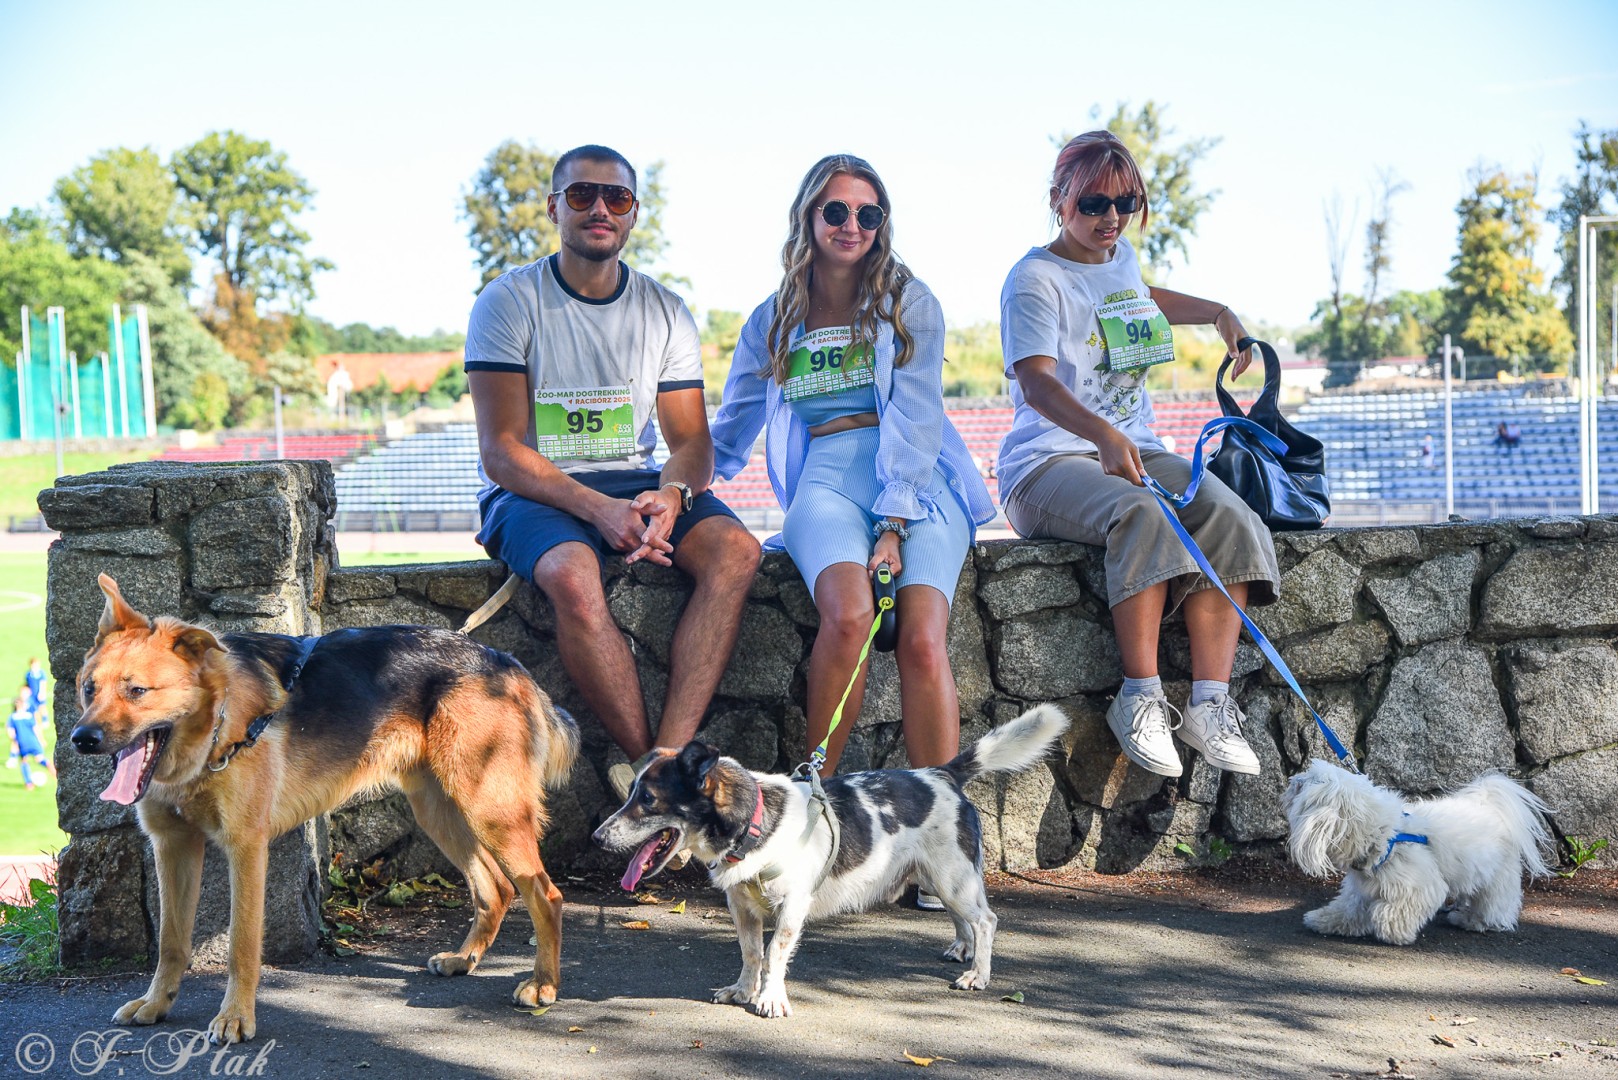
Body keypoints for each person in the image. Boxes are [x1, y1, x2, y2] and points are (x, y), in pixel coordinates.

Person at [465, 144, 761, 799]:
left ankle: (671, 759)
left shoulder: (664, 310)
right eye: (581, 195)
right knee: (572, 575)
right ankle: (649, 774)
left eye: (617, 198)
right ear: (553, 208)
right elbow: (502, 451)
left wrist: (670, 497)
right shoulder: (508, 302)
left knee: (737, 551)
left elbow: (691, 443)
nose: (599, 208)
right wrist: (597, 509)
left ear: (633, 215)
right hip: (534, 489)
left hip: (634, 481)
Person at [996, 130, 1281, 779]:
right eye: (1094, 202)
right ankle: (1140, 699)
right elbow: (1037, 381)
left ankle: (1210, 704)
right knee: (1145, 516)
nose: (1111, 218)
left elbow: (1140, 300)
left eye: (1126, 202)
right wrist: (1101, 433)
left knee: (1227, 515)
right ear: (1058, 200)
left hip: (1134, 447)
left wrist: (1220, 314)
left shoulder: (1118, 258)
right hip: (1046, 464)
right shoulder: (1034, 279)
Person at [711, 154, 996, 797]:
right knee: (848, 618)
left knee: (922, 640)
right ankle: (813, 808)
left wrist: (893, 523)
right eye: (836, 211)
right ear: (808, 217)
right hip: (827, 478)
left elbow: (917, 418)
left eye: (868, 213)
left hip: (917, 482)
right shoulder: (773, 317)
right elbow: (732, 425)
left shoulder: (910, 302)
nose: (852, 225)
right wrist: (677, 487)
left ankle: (939, 831)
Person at [8, 687, 53, 790]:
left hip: (22, 742)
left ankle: (29, 784)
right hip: (33, 741)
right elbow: (36, 728)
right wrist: (41, 740)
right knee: (40, 759)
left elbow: (11, 732)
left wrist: (14, 743)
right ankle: (53, 771)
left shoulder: (12, 717)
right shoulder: (28, 716)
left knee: (24, 761)